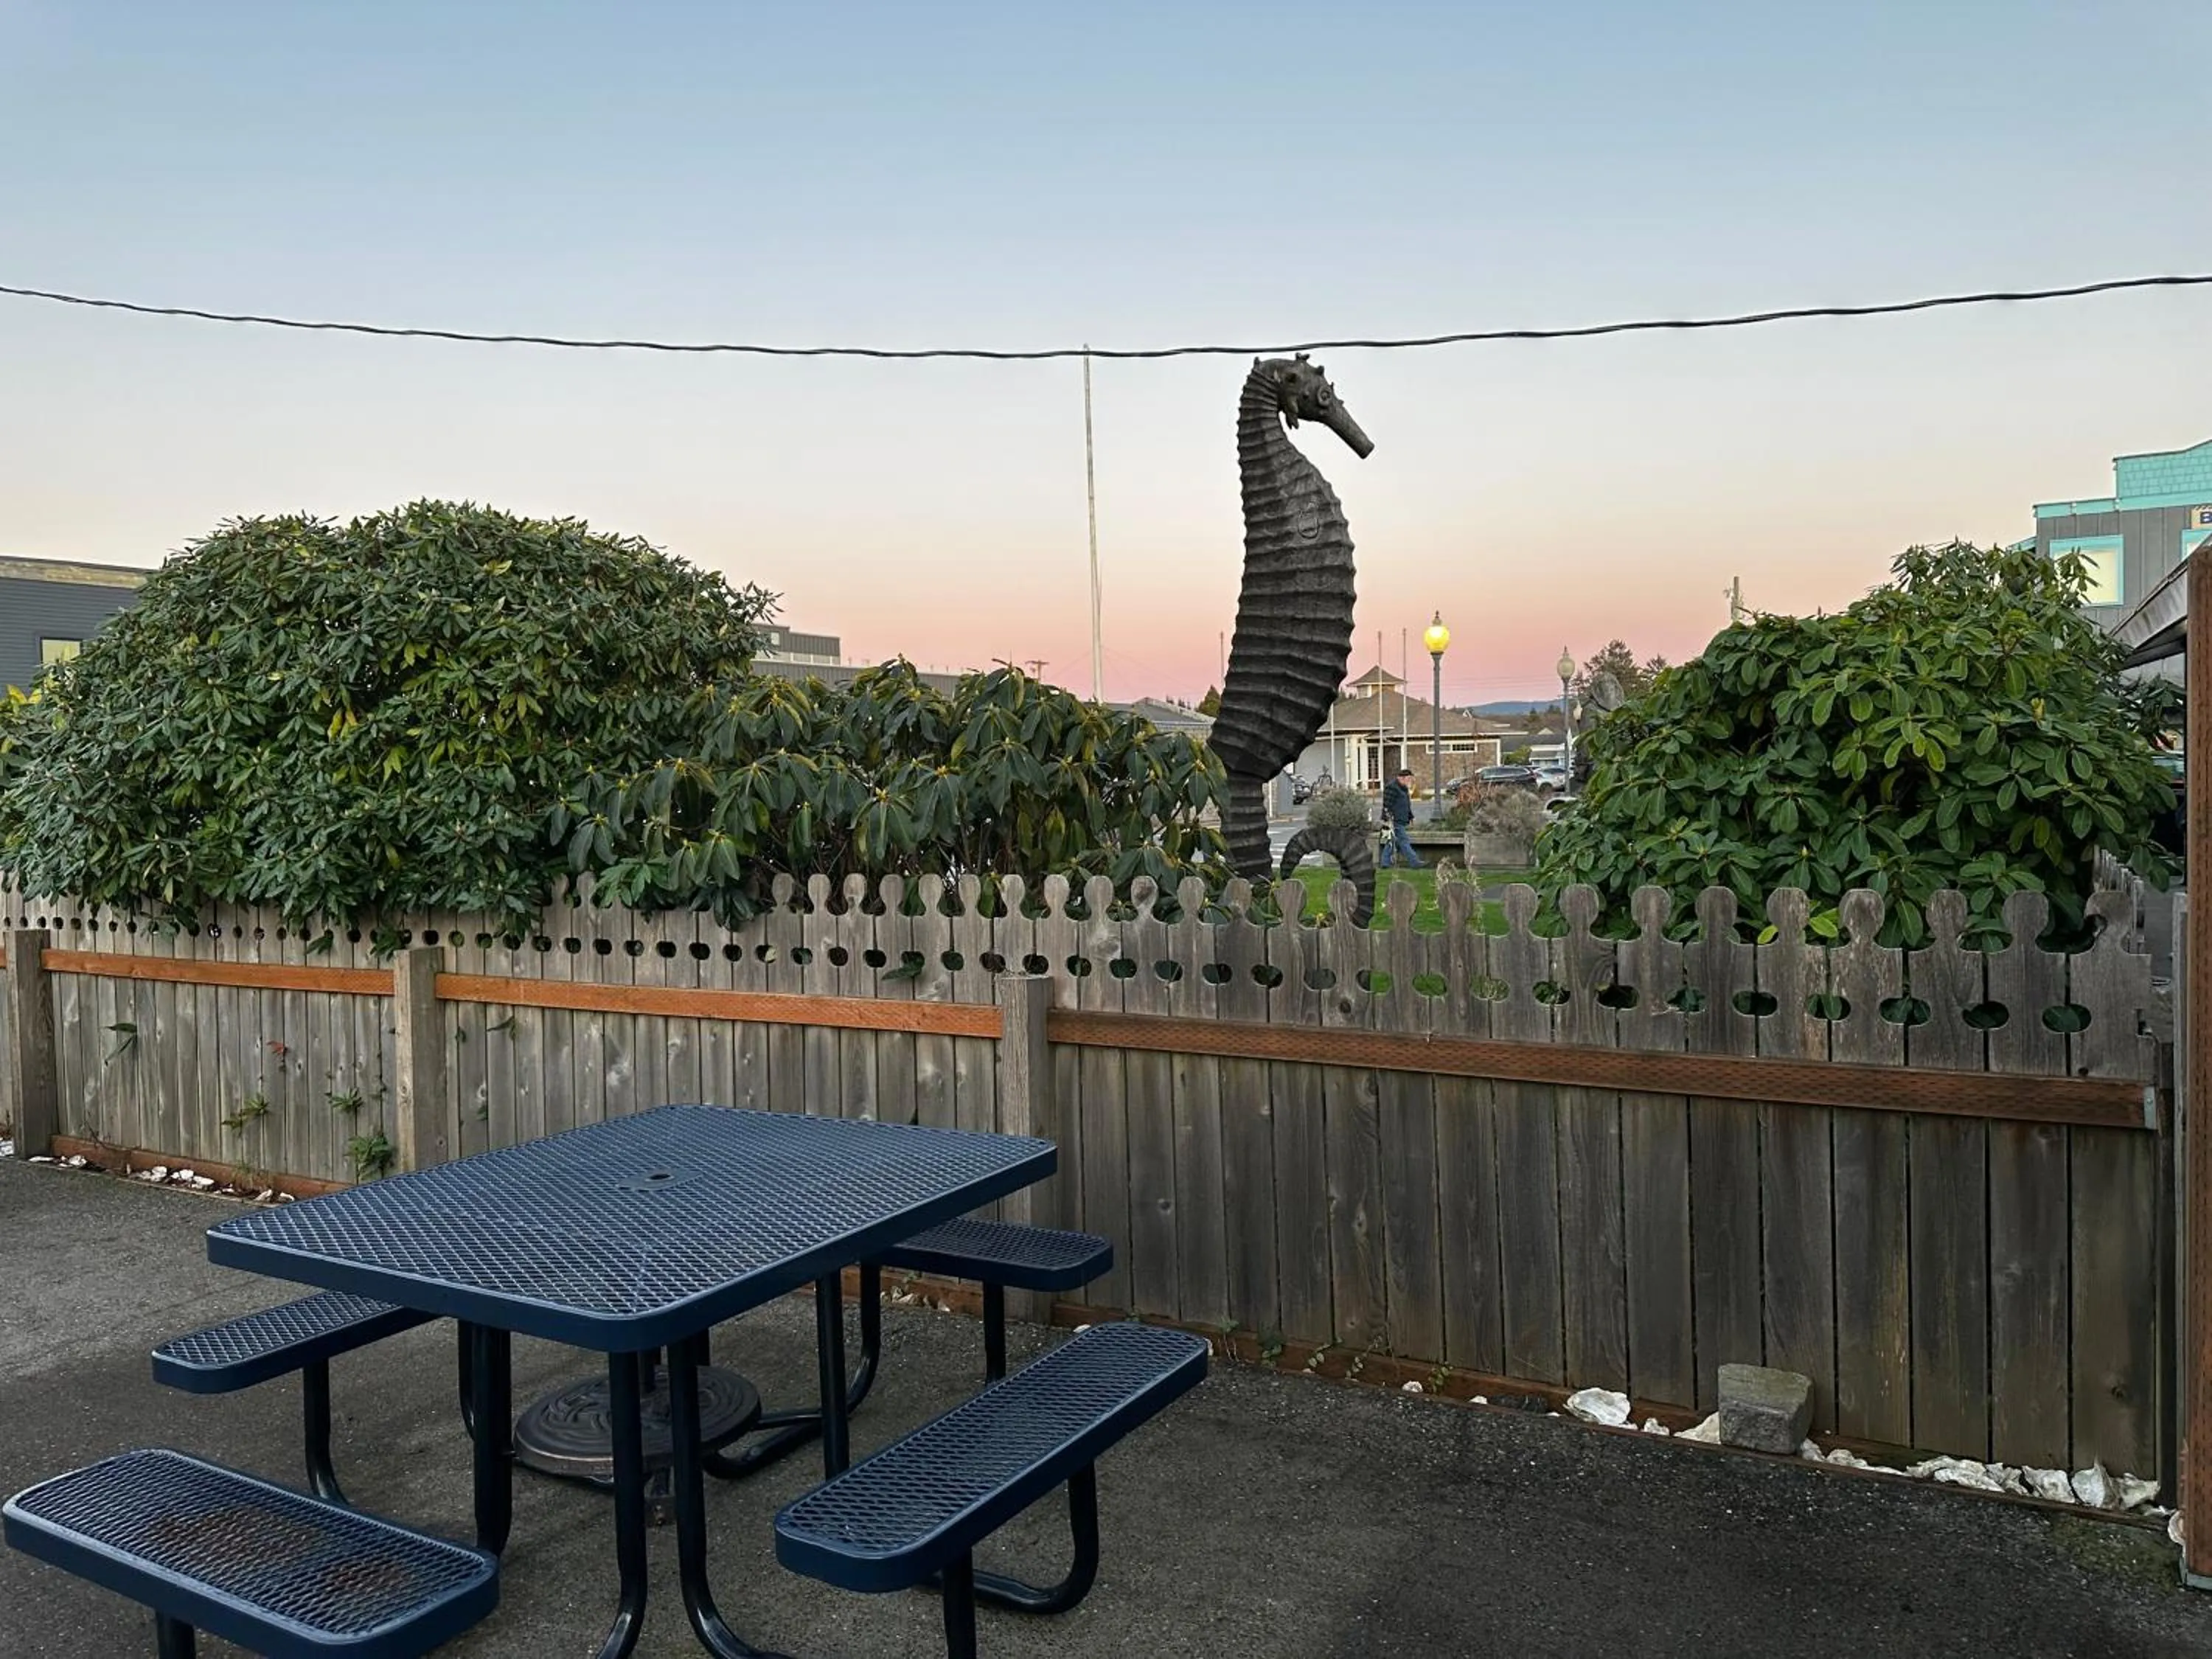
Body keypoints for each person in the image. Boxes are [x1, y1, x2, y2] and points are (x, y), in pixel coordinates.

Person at [1379, 766, 1422, 869]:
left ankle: (1385, 863)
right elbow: (1387, 805)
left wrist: (1410, 817)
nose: (1410, 782)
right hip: (1394, 820)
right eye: (1408, 779)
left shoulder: (1404, 789)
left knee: (1392, 841)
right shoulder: (1392, 788)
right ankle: (1415, 862)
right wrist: (1388, 820)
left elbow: (1406, 804)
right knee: (1403, 841)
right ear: (1401, 778)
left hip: (1401, 819)